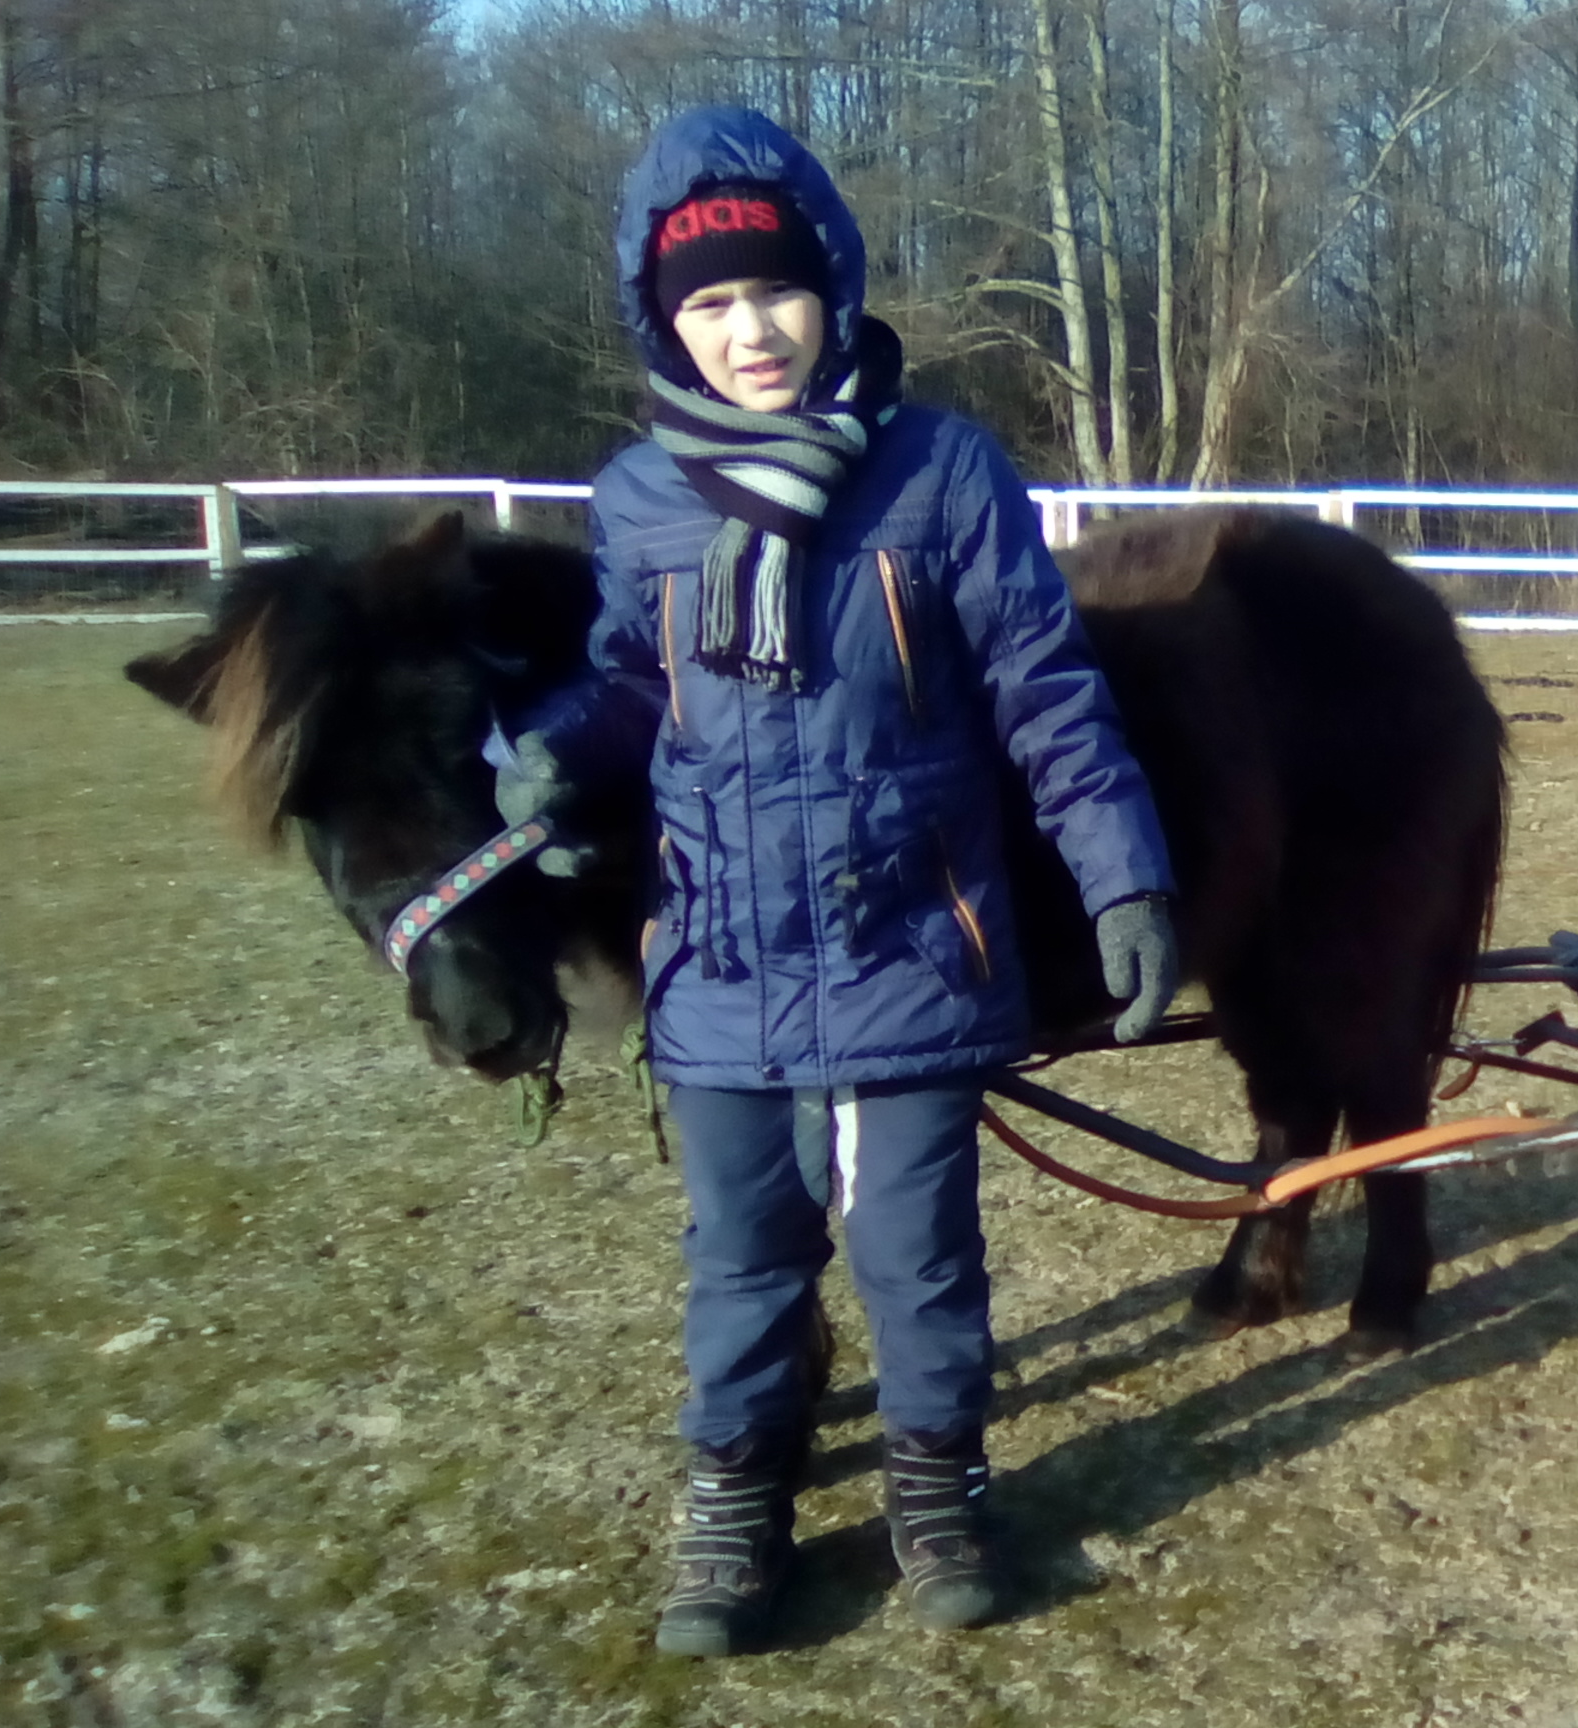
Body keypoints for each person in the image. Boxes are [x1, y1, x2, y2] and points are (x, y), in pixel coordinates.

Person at [495, 106, 1183, 1655]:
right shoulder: (641, 498)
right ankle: (739, 1499)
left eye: (778, 294)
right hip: (720, 964)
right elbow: (628, 685)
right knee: (742, 1258)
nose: (751, 331)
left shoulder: (942, 473)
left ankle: (937, 1482)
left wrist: (1123, 876)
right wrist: (555, 745)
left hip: (909, 952)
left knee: (915, 1257)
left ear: (837, 286)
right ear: (665, 322)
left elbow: (1047, 694)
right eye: (712, 305)